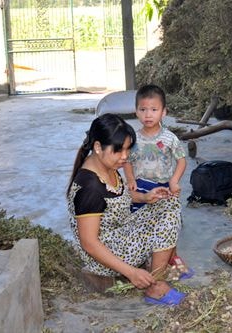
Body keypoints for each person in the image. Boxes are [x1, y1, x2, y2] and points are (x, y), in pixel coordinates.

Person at [66, 113, 185, 306]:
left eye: (128, 149)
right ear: (98, 147)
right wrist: (131, 273)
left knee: (170, 203)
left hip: (119, 233)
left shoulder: (105, 164)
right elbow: (89, 243)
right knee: (168, 216)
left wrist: (146, 197)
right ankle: (155, 286)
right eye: (119, 150)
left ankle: (157, 272)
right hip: (103, 255)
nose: (125, 157)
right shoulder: (90, 187)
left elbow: (118, 199)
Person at [123, 84, 192, 278]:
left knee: (169, 221)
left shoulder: (169, 138)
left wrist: (175, 181)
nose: (148, 115)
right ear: (136, 111)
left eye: (154, 110)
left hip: (164, 186)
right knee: (144, 222)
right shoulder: (133, 138)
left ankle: (172, 255)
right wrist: (130, 179)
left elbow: (181, 160)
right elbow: (126, 161)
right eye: (143, 109)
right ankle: (148, 257)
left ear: (164, 112)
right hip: (141, 186)